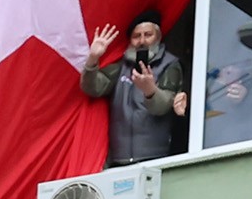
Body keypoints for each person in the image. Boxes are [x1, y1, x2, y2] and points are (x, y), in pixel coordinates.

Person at [81, 13, 191, 163]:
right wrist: (93, 59)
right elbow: (93, 88)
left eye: (148, 35)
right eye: (136, 36)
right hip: (119, 159)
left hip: (155, 157)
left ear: (158, 37)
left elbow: (165, 105)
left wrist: (150, 91)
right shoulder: (121, 66)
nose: (142, 41)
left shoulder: (169, 64)